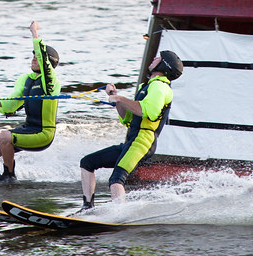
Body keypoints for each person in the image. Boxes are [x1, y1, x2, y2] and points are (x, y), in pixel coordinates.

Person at [78, 50, 183, 209]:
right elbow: (127, 118)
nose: (154, 58)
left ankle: (119, 215)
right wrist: (115, 96)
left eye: (158, 58)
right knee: (87, 162)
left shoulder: (160, 87)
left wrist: (120, 98)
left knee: (116, 179)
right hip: (131, 141)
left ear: (164, 65)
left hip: (142, 142)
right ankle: (87, 208)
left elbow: (148, 112)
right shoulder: (146, 87)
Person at [0, 21, 61, 182]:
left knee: (5, 136)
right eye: (32, 56)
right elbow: (13, 102)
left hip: (42, 133)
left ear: (48, 63)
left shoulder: (50, 82)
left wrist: (34, 32)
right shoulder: (26, 79)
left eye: (37, 56)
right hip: (28, 129)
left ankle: (9, 177)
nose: (34, 58)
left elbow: (43, 58)